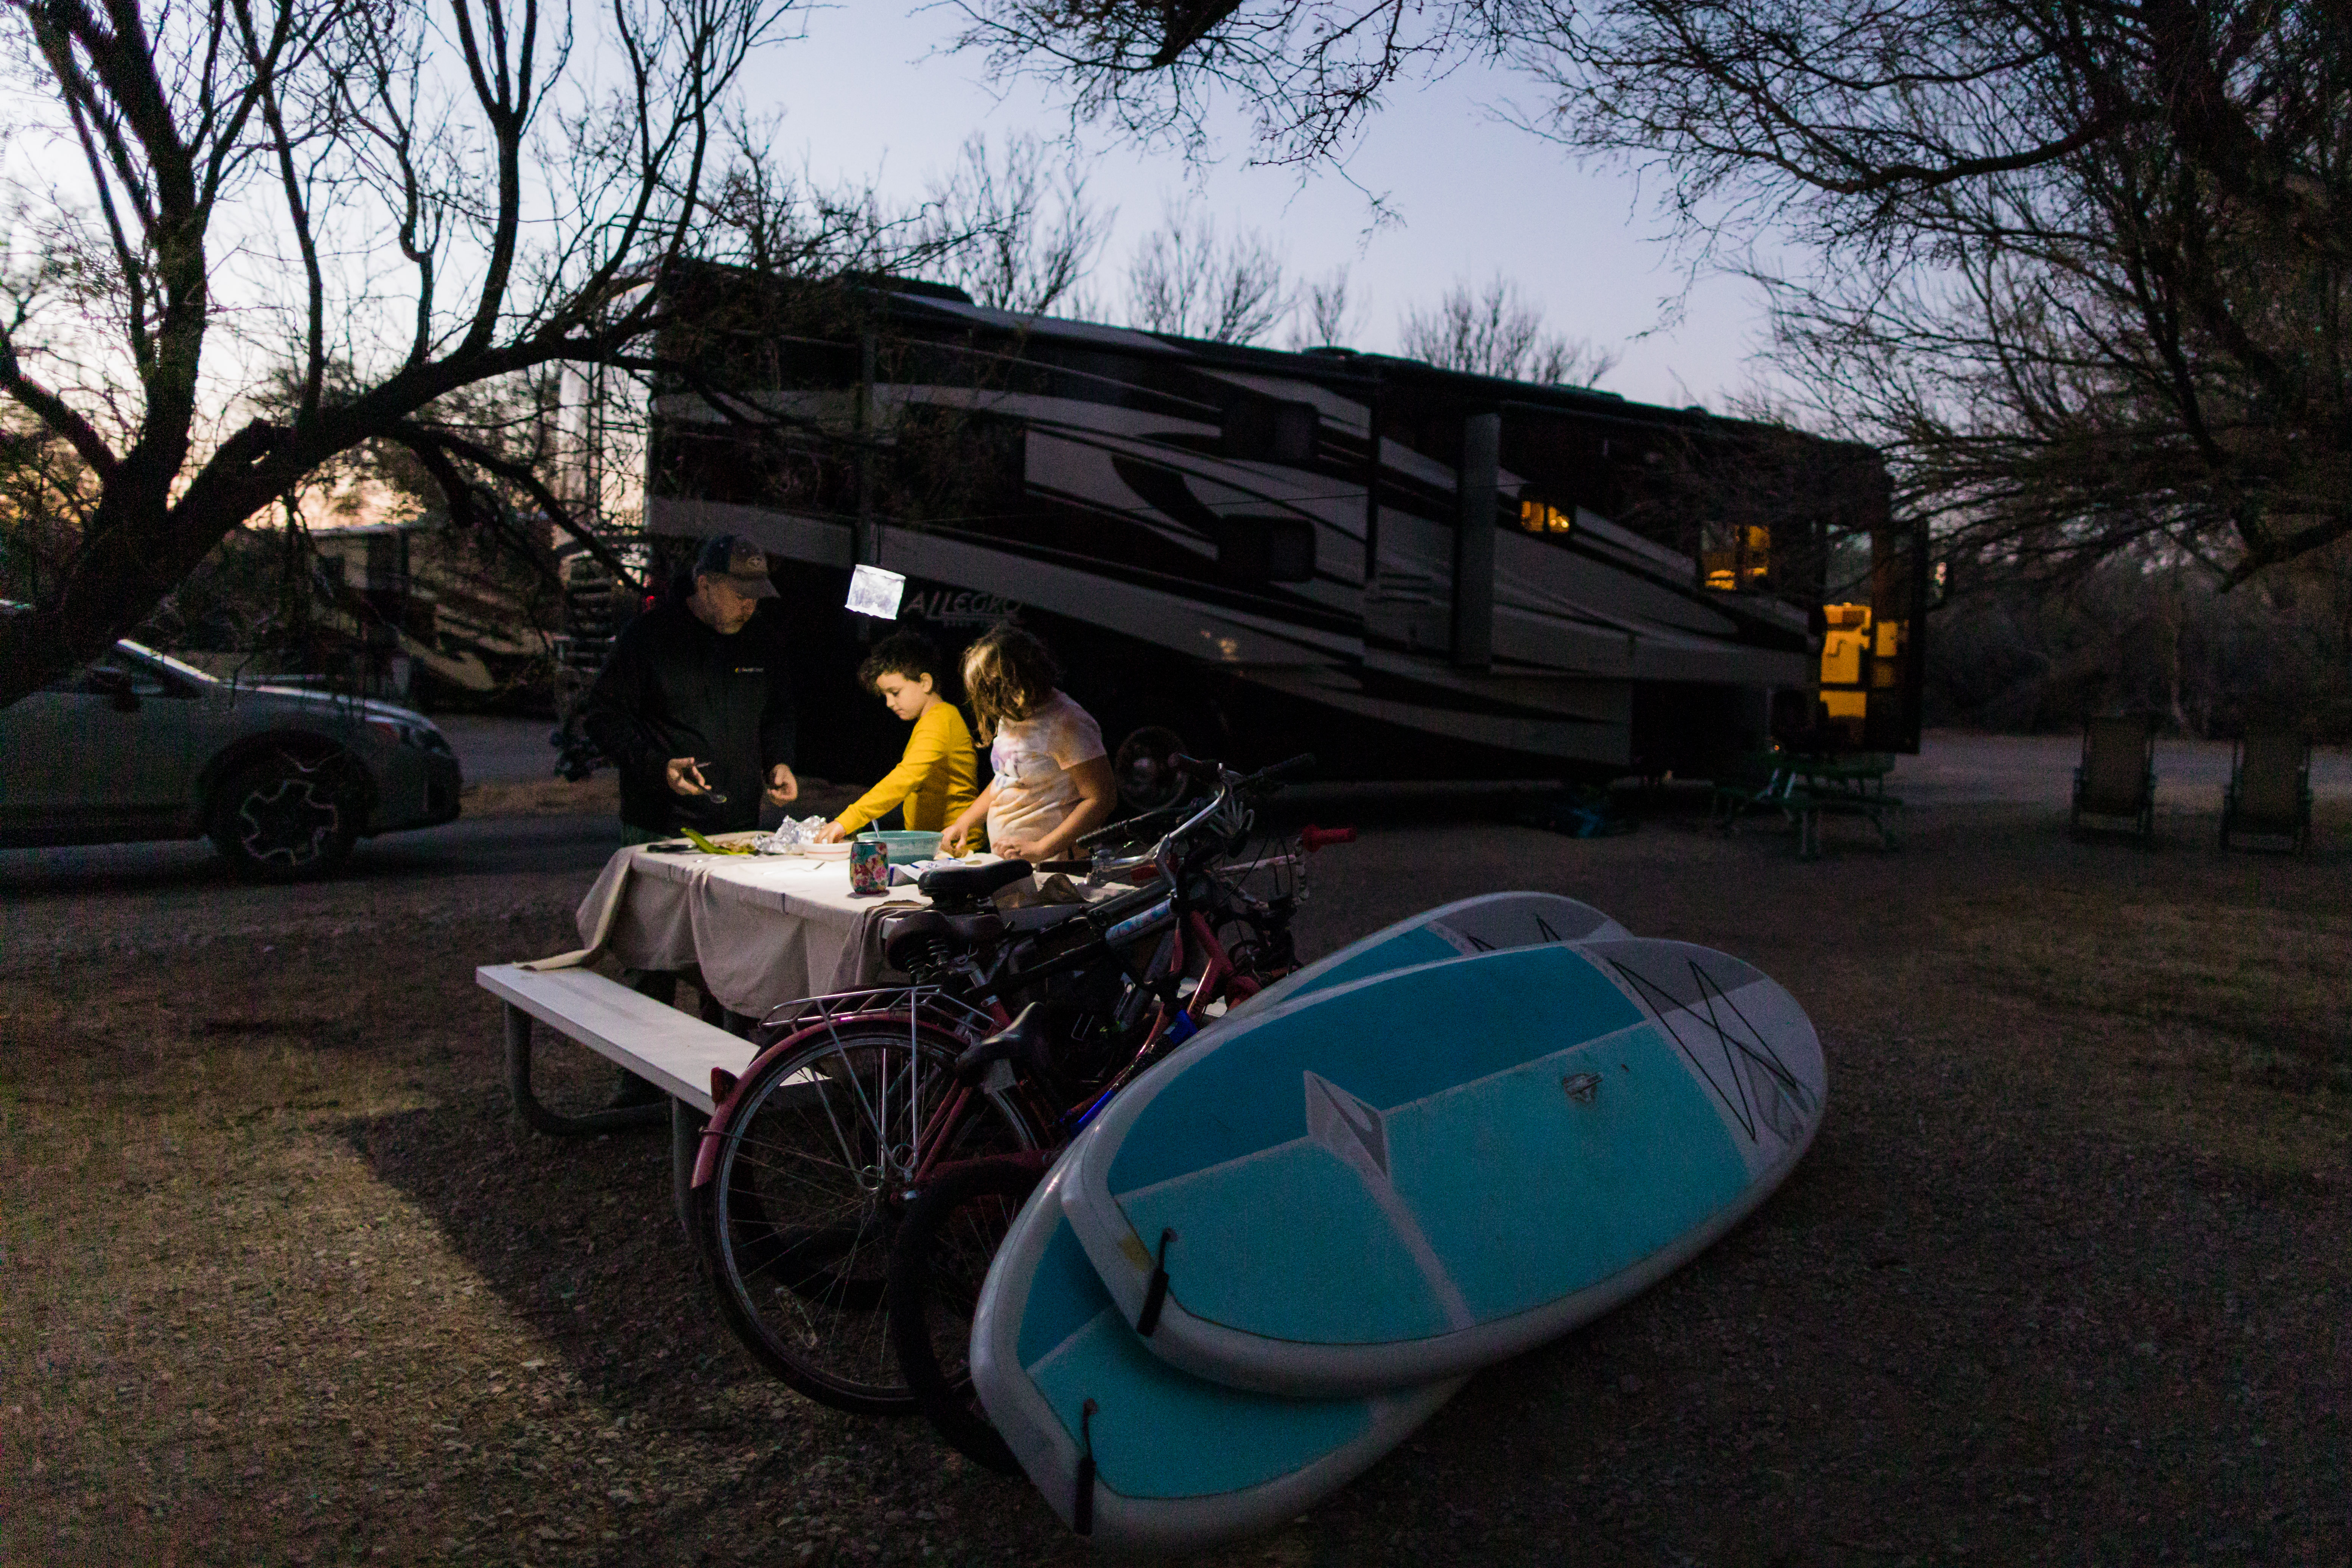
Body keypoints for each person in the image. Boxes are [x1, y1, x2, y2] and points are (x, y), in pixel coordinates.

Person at [581, 534, 800, 843]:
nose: (749, 605)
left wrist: (780, 762)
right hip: (660, 828)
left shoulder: (762, 640)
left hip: (740, 825)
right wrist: (658, 768)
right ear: (705, 585)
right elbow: (603, 717)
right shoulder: (651, 636)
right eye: (740, 594)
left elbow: (778, 714)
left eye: (757, 595)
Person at [938, 625, 1115, 863]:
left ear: (1022, 674)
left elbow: (1101, 799)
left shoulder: (1066, 722)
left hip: (1056, 864)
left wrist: (1041, 848)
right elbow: (1008, 776)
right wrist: (966, 822)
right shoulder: (1013, 713)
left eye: (995, 686)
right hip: (1016, 863)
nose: (992, 698)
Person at [813, 632, 979, 843]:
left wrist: (847, 820)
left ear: (925, 683)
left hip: (958, 849)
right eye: (886, 696)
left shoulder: (940, 721)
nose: (889, 703)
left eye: (896, 692)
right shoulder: (935, 719)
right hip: (937, 846)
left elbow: (904, 778)